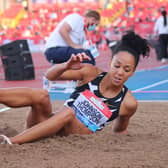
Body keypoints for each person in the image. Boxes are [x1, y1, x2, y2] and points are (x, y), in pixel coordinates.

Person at [0, 31, 150, 145]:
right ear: (110, 62)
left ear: (133, 72)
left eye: (126, 69)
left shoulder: (128, 103)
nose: (119, 72)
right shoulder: (91, 73)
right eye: (117, 66)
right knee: (42, 95)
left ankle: (11, 141)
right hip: (44, 126)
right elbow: (50, 76)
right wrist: (65, 66)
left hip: (66, 136)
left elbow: (120, 130)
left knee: (69, 113)